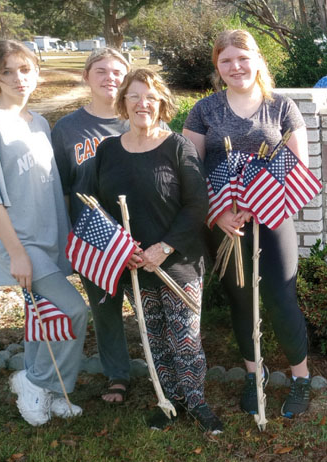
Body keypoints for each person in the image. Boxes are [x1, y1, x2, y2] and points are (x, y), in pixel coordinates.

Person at [184, 29, 313, 419]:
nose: (236, 67)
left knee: (279, 296)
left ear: (257, 60)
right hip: (224, 222)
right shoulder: (204, 111)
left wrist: (260, 202)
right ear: (217, 68)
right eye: (226, 61)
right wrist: (217, 212)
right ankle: (253, 374)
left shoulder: (282, 107)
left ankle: (301, 378)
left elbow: (298, 166)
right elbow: (190, 170)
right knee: (241, 299)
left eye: (242, 58)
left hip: (272, 216)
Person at [0, 40, 88, 426]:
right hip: (19, 240)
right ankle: (35, 382)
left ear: (37, 72)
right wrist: (16, 251)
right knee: (73, 310)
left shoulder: (39, 122)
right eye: (8, 72)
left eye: (26, 69)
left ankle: (52, 390)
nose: (20, 78)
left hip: (50, 234)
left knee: (41, 315)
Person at [91, 69, 218, 433]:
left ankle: (197, 402)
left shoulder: (178, 146)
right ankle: (169, 401)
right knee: (155, 337)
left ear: (161, 103)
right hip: (134, 264)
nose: (142, 103)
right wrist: (121, 250)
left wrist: (164, 247)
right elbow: (100, 207)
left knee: (185, 337)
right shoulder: (108, 151)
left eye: (150, 97)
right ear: (123, 103)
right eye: (134, 96)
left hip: (179, 262)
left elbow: (197, 205)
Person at [51, 48, 134, 404]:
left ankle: (167, 368)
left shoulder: (138, 116)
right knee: (105, 306)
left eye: (117, 71)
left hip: (137, 230)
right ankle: (118, 374)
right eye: (100, 71)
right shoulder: (68, 128)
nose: (109, 78)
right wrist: (71, 233)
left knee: (149, 302)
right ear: (86, 77)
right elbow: (62, 187)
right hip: (92, 236)